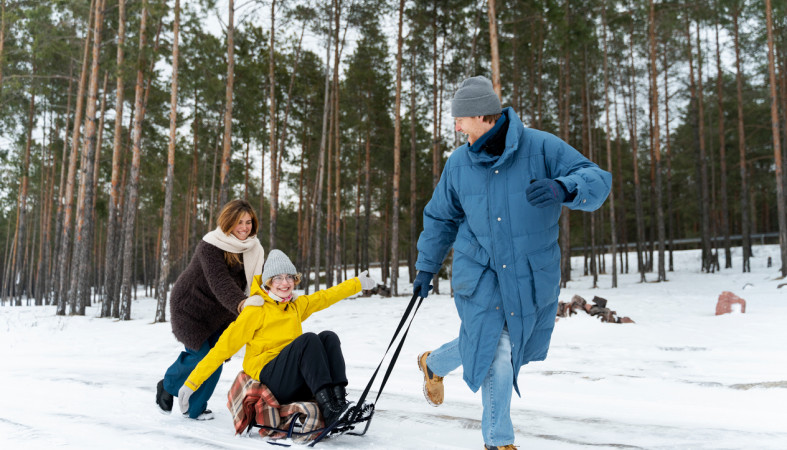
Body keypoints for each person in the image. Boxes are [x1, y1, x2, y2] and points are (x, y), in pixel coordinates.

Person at [413, 75, 611, 450]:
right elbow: (441, 217)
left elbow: (597, 179)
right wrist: (427, 266)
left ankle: (433, 363)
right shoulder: (458, 163)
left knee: (493, 341)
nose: (455, 127)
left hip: (528, 272)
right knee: (499, 349)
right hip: (479, 268)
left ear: (483, 116)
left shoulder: (540, 147)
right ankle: (498, 441)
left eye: (460, 119)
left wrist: (565, 187)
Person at [177, 249, 378, 427]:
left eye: (289, 277)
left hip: (294, 375)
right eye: (278, 278)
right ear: (268, 283)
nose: (285, 283)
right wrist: (191, 384)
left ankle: (339, 403)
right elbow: (221, 350)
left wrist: (357, 284)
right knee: (308, 340)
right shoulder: (255, 311)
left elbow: (326, 296)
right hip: (271, 380)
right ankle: (329, 411)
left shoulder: (295, 305)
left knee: (328, 337)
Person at [156, 199, 265, 420]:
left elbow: (258, 283)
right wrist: (243, 303)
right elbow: (220, 282)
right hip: (190, 309)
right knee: (201, 355)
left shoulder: (253, 249)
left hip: (223, 312)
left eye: (248, 222)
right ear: (228, 222)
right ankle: (168, 385)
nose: (245, 228)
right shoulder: (210, 246)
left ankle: (195, 408)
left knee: (216, 357)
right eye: (239, 222)